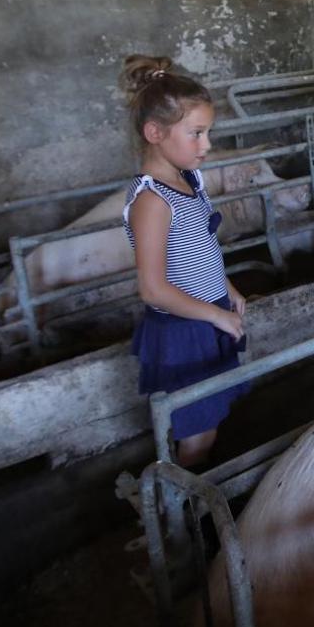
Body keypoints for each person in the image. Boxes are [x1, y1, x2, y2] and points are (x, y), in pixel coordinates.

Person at [119, 54, 250, 468]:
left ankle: (197, 492)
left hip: (206, 318)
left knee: (210, 420)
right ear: (154, 132)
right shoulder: (152, 201)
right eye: (196, 133)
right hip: (182, 333)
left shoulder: (188, 181)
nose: (206, 145)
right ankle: (179, 514)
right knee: (196, 436)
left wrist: (226, 290)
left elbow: (201, 247)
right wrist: (215, 316)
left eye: (207, 132)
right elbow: (154, 289)